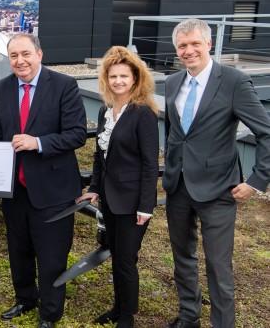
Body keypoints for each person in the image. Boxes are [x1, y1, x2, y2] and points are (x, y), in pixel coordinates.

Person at [163, 18, 270, 328]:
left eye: (195, 43)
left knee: (218, 266)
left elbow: (265, 133)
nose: (189, 50)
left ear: (208, 44)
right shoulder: (172, 83)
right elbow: (174, 134)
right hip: (179, 186)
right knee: (182, 258)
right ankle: (189, 316)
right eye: (182, 45)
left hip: (219, 189)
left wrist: (258, 181)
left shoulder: (234, 81)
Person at [0, 33, 88, 328]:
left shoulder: (63, 85)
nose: (20, 61)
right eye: (14, 56)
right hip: (14, 188)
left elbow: (77, 134)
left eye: (26, 54)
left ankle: (50, 312)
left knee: (52, 255)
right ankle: (25, 299)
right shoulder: (2, 87)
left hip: (52, 189)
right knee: (18, 250)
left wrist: (38, 142)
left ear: (39, 54)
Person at [76, 46, 159, 328]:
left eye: (124, 75)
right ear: (106, 79)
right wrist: (94, 187)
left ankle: (127, 316)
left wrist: (147, 206)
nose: (118, 81)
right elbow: (101, 156)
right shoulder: (105, 110)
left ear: (135, 78)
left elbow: (151, 164)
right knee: (116, 254)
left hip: (133, 202)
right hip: (109, 200)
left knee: (126, 260)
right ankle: (118, 307)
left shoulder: (143, 113)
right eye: (113, 76)